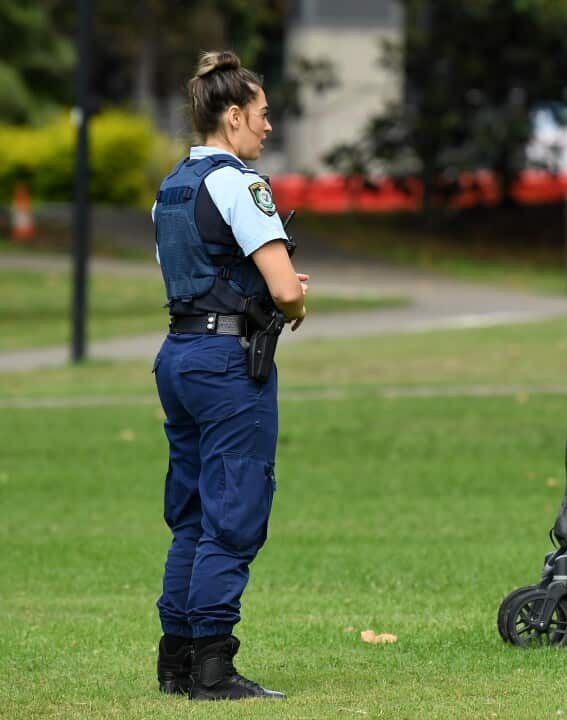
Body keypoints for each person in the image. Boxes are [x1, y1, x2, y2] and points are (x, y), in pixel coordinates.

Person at [152, 50, 306, 701]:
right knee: (233, 513)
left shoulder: (173, 187)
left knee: (190, 515)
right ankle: (214, 668)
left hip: (178, 356)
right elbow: (283, 290)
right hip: (226, 367)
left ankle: (177, 660)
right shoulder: (241, 184)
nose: (268, 127)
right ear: (234, 114)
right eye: (264, 115)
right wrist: (296, 294)